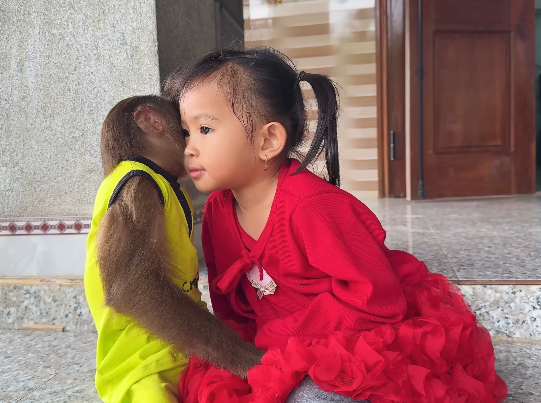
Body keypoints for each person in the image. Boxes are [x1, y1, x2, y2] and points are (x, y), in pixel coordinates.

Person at [166, 48, 508, 403]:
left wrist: (283, 339)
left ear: (267, 140)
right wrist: (245, 356)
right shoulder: (218, 210)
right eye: (186, 132)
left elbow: (377, 303)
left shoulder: (312, 207)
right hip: (277, 345)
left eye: (204, 129)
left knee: (315, 397)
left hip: (353, 336)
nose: (188, 148)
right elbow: (229, 307)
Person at [84, 95, 265, 403]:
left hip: (175, 354)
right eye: (186, 131)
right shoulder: (136, 182)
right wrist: (236, 354)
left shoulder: (160, 184)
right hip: (144, 368)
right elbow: (131, 287)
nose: (195, 144)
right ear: (151, 121)